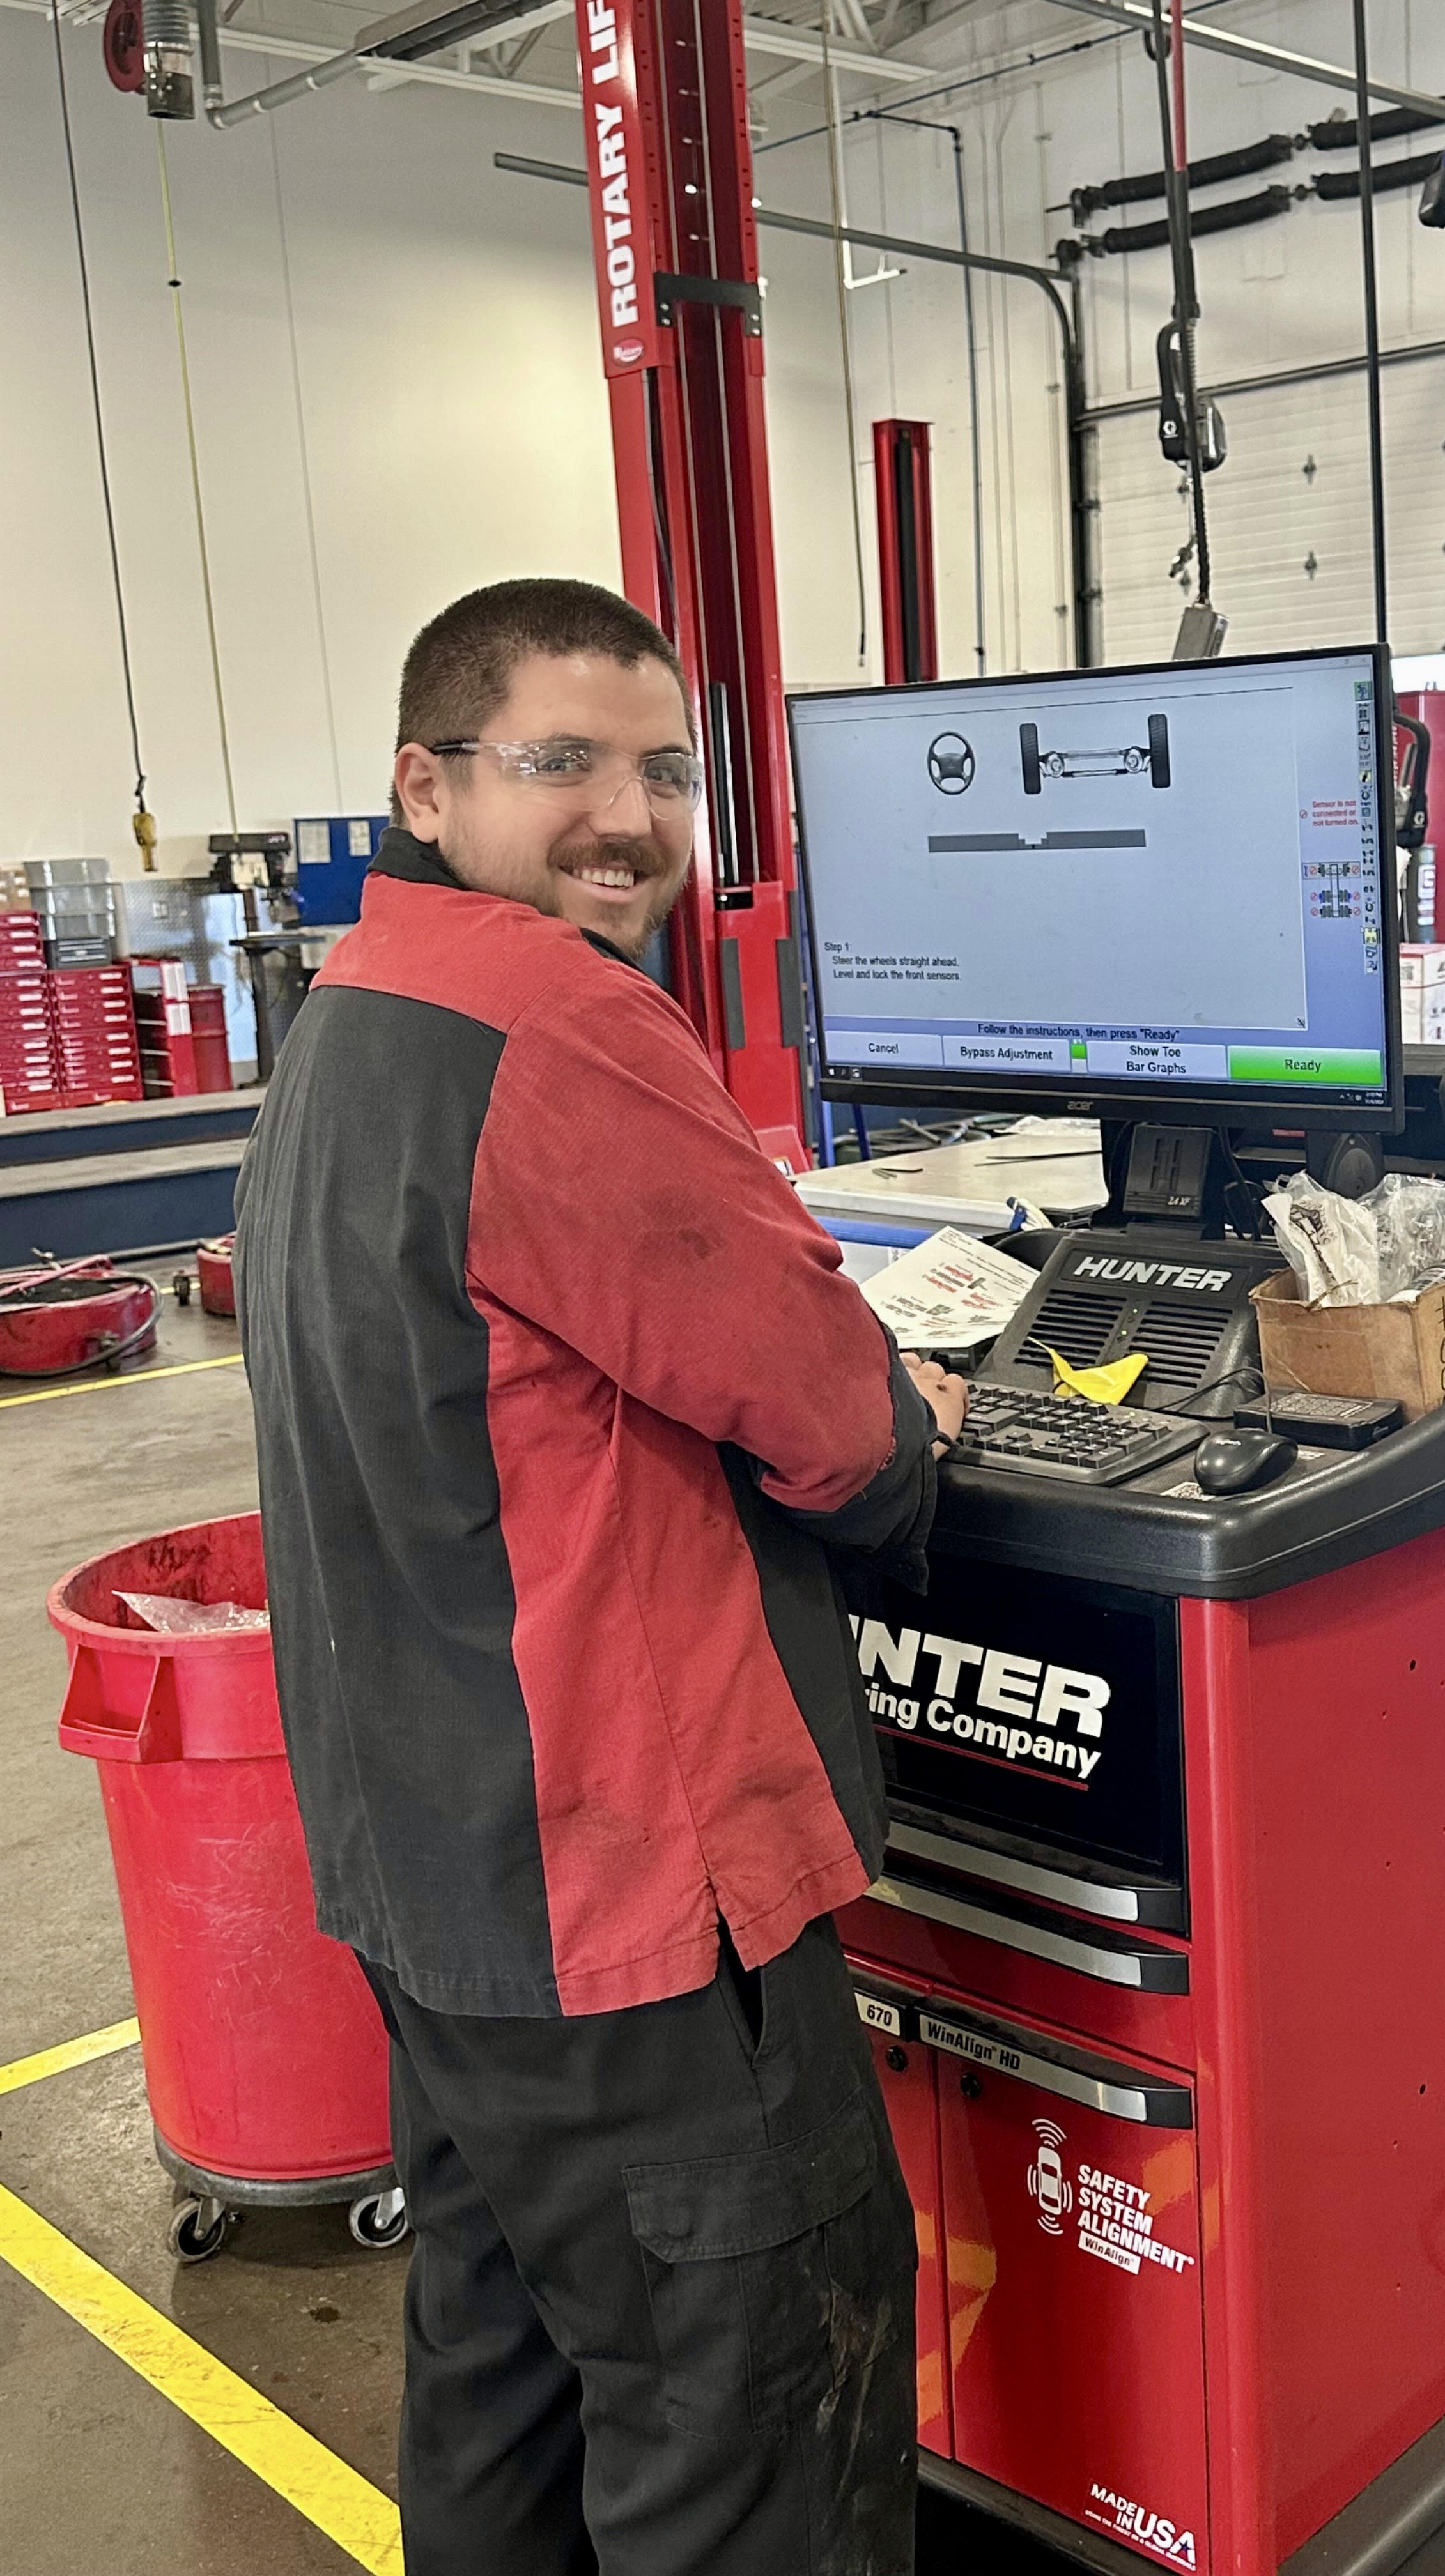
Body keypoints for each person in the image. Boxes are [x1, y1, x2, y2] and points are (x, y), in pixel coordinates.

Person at [233, 576, 968, 2576]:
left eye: (664, 771)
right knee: (753, 2420)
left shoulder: (355, 1012)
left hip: (432, 1882)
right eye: (564, 763)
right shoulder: (562, 1024)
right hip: (625, 1899)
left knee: (513, 2375)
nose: (628, 818)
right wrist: (916, 1409)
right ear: (430, 782)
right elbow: (832, 1419)